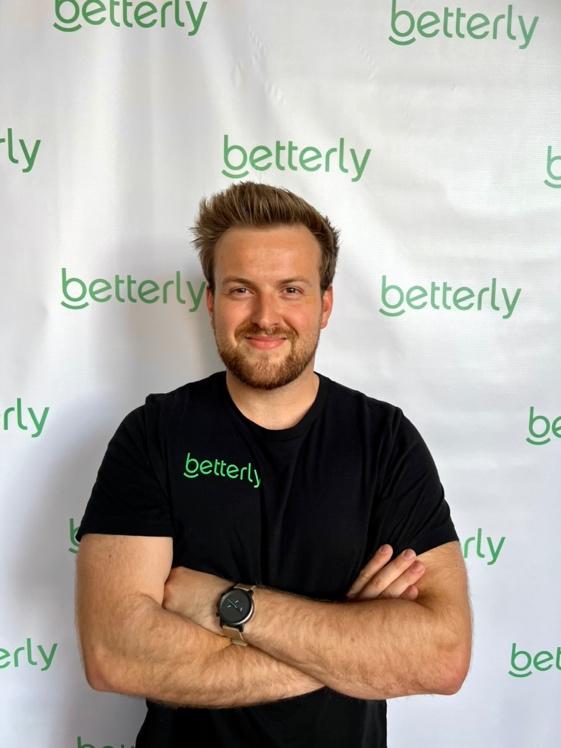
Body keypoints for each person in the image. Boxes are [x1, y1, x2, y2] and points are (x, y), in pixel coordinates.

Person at [75, 182, 471, 748]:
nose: (266, 316)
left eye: (291, 290)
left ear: (324, 305)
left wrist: (227, 605)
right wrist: (352, 641)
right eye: (241, 290)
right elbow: (114, 652)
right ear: (211, 302)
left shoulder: (385, 441)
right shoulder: (153, 435)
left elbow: (443, 655)